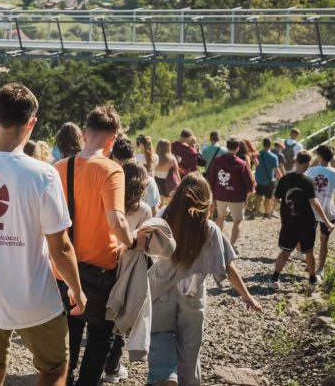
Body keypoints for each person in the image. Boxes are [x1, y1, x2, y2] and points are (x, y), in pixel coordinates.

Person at [0, 83, 86, 386]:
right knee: (55, 369)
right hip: (36, 298)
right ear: (31, 124)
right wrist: (76, 288)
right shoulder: (44, 174)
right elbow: (60, 247)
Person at [54, 107, 146, 386]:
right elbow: (116, 221)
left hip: (63, 268)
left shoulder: (59, 169)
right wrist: (131, 242)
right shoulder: (111, 170)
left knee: (67, 336)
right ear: (113, 139)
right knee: (100, 334)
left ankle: (64, 379)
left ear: (84, 134)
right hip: (100, 269)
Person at [148, 174, 262, 386]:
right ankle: (187, 381)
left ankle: (165, 376)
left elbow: (144, 245)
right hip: (192, 295)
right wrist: (247, 296)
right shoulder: (210, 229)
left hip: (162, 290)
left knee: (159, 335)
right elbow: (228, 267)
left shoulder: (164, 216)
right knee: (190, 348)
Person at [102, 160, 152, 385]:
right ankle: (112, 368)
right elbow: (146, 242)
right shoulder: (144, 210)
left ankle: (94, 362)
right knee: (121, 316)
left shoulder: (110, 202)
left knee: (102, 316)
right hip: (129, 267)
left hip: (106, 260)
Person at [270, 152, 333, 291]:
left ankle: (274, 279)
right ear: (305, 163)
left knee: (285, 251)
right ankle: (312, 281)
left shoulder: (285, 178)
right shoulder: (308, 181)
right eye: (309, 163)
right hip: (306, 223)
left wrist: (283, 211)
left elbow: (276, 198)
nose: (309, 166)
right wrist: (327, 222)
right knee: (309, 251)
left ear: (296, 161)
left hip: (288, 222)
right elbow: (314, 202)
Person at [305, 145, 335, 281]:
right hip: (328, 211)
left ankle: (310, 263)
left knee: (308, 239)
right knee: (324, 241)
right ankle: (320, 269)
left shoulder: (310, 171)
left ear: (320, 156)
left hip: (311, 210)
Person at [204, 137, 254, 252]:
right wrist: (249, 191)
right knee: (237, 221)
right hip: (236, 197)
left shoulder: (218, 160)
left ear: (227, 147)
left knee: (221, 216)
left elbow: (211, 177)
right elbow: (248, 182)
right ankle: (231, 245)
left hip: (220, 194)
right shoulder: (241, 163)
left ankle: (217, 242)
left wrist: (212, 189)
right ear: (237, 148)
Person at [112, 138, 159, 215]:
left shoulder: (111, 181)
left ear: (114, 158)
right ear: (134, 156)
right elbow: (154, 212)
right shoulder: (148, 181)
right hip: (143, 226)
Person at [254, 137, 282, 218]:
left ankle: (256, 211)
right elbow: (277, 170)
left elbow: (256, 164)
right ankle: (266, 214)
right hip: (269, 181)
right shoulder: (274, 156)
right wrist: (281, 178)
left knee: (258, 196)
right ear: (270, 145)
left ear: (263, 144)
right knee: (268, 198)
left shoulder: (258, 154)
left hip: (259, 180)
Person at [153, 139, 180, 205]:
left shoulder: (154, 158)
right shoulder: (172, 159)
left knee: (159, 203)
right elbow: (177, 173)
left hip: (157, 182)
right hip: (169, 182)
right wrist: (180, 182)